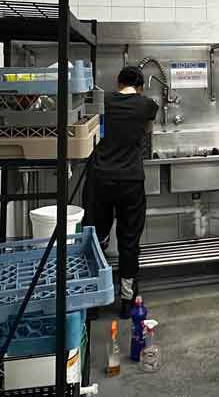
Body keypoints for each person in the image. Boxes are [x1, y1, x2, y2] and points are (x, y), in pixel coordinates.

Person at [83, 66, 158, 317]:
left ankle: (93, 301)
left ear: (118, 83)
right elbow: (147, 132)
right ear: (141, 88)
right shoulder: (147, 105)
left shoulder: (102, 101)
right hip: (130, 181)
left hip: (99, 179)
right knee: (129, 240)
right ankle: (127, 301)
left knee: (95, 238)